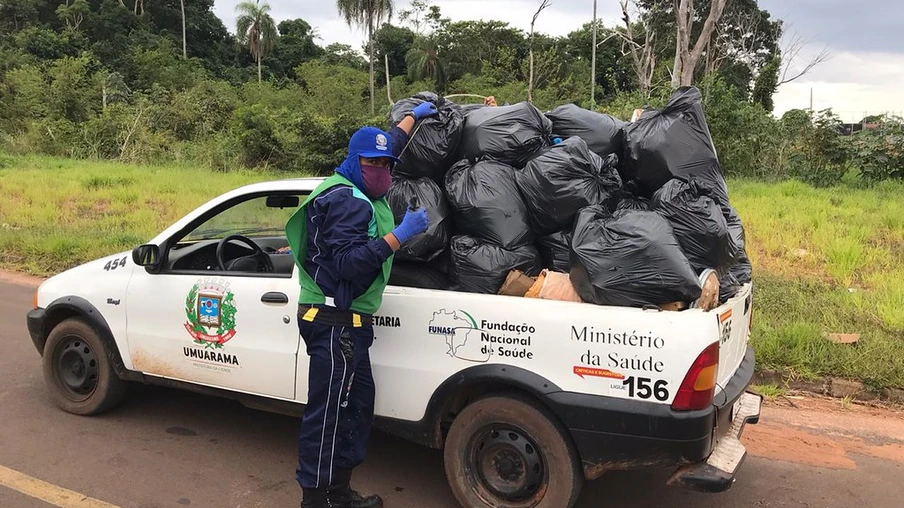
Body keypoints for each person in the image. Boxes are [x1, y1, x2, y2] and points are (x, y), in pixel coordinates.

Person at [284, 101, 438, 508]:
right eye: (374, 164)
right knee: (330, 413)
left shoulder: (361, 183)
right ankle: (316, 500)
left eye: (388, 165)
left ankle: (339, 492)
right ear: (355, 162)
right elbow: (348, 265)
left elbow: (390, 143)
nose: (383, 171)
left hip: (350, 325)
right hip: (333, 322)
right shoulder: (346, 200)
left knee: (355, 408)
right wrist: (400, 235)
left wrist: (415, 117)